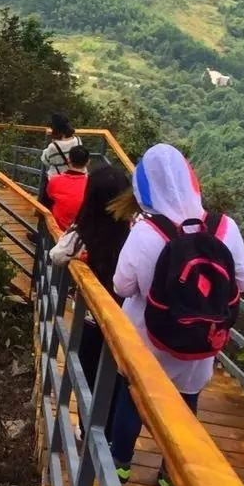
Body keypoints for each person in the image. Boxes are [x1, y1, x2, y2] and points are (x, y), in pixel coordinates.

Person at [109, 143, 244, 486]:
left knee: (134, 395)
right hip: (201, 337)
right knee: (187, 399)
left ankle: (121, 465)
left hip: (148, 335)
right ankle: (169, 474)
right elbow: (243, 280)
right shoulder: (224, 228)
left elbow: (122, 285)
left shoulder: (147, 231)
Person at [70, 163, 134, 399]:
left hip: (94, 312)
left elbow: (58, 254)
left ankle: (88, 429)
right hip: (127, 316)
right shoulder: (136, 229)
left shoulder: (87, 228)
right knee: (119, 377)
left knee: (89, 368)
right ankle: (105, 431)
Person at [45, 144, 91, 230]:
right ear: (88, 162)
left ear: (68, 160)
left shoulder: (55, 180)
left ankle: (41, 237)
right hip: (81, 228)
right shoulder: (91, 184)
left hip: (59, 226)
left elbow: (50, 196)